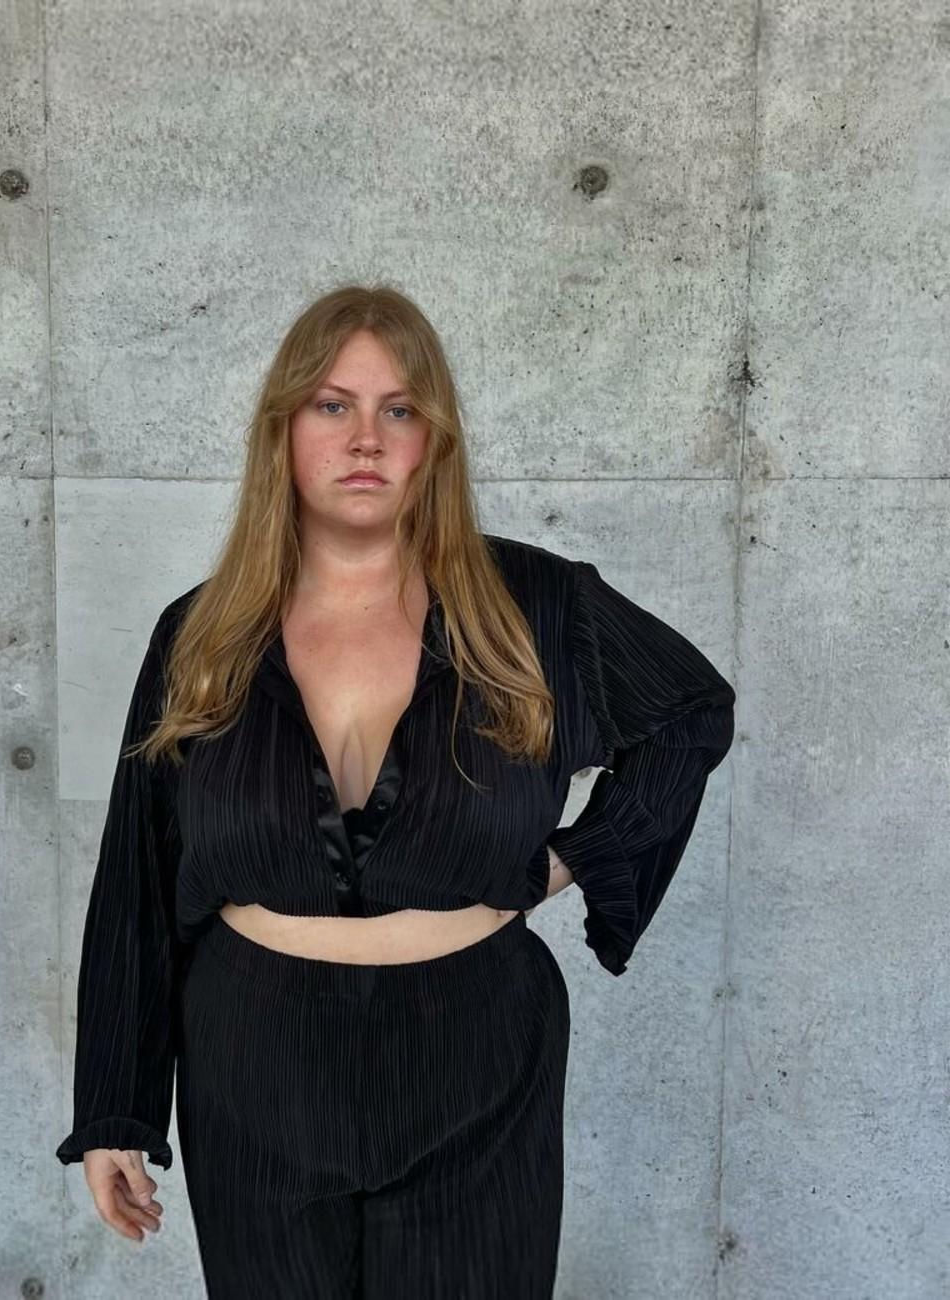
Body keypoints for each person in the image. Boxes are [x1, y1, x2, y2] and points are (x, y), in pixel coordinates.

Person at [54, 285, 736, 1298]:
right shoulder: (201, 634)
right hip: (254, 1060)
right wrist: (116, 1109)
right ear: (283, 431)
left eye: (400, 409)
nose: (366, 438)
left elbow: (689, 713)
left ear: (435, 441)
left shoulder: (537, 606)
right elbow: (138, 880)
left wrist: (571, 860)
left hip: (477, 1052)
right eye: (332, 405)